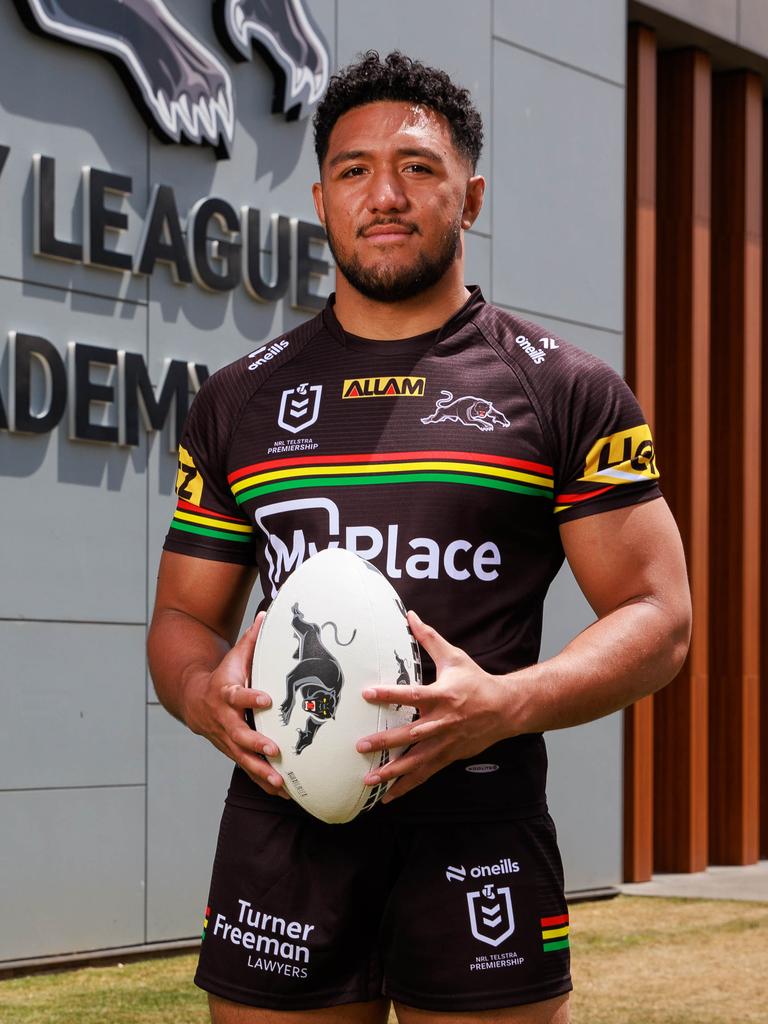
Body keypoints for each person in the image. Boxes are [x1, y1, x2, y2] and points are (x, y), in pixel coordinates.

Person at [148, 50, 691, 1024]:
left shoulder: (564, 389)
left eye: (418, 167)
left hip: (480, 825)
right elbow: (183, 620)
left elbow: (660, 615)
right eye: (355, 170)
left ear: (470, 195)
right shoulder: (240, 398)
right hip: (285, 829)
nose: (384, 194)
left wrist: (504, 702)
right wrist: (201, 692)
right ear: (320, 197)